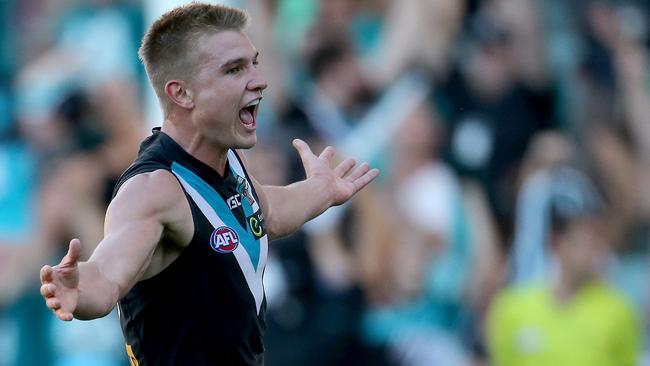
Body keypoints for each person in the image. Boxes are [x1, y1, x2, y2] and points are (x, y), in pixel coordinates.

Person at [38, 3, 379, 365]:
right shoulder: (154, 188)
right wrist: (80, 288)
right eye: (234, 69)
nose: (258, 80)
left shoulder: (227, 158)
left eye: (254, 63)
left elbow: (266, 212)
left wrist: (319, 192)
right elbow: (108, 273)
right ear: (181, 94)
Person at [487, 166, 639, 366]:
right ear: (556, 243)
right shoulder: (511, 308)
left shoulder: (620, 311)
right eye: (585, 240)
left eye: (598, 238)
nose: (595, 249)